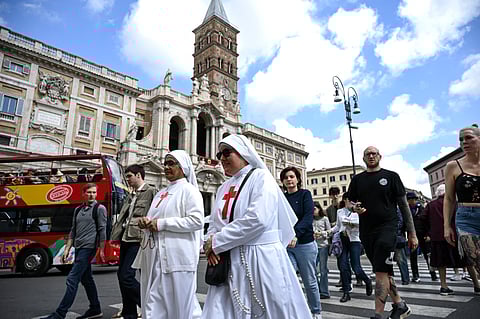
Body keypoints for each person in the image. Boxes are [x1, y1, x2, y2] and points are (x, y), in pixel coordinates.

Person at [202, 134, 312, 319]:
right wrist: (210, 242)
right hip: (229, 258)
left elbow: (257, 219)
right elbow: (215, 222)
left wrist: (216, 242)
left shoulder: (261, 178)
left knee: (270, 309)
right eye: (219, 154)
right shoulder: (223, 187)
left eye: (227, 152)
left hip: (260, 258)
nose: (222, 158)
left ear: (243, 153)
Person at [348, 146, 418, 319]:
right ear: (363, 158)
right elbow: (349, 202)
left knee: (380, 271)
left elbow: (403, 206)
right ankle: (400, 305)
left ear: (380, 156)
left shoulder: (391, 176)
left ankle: (378, 315)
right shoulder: (357, 179)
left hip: (388, 228)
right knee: (383, 270)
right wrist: (353, 207)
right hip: (366, 230)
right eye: (367, 154)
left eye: (374, 153)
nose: (371, 156)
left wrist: (412, 233)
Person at [135, 150, 204, 319]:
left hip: (178, 258)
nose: (166, 167)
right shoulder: (160, 193)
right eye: (166, 163)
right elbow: (154, 219)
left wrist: (161, 224)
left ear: (183, 167)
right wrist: (146, 222)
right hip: (156, 256)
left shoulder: (190, 191)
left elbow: (196, 221)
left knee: (181, 308)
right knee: (154, 304)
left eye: (171, 163)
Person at [41, 183, 106, 319]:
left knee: (72, 278)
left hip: (89, 248)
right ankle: (95, 309)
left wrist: (101, 249)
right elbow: (73, 230)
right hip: (79, 247)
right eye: (89, 192)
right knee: (87, 279)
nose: (92, 195)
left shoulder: (100, 209)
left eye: (94, 192)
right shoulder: (77, 210)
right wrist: (67, 249)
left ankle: (60, 313)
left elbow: (102, 230)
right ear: (83, 194)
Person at [111, 164, 157, 319]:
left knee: (127, 276)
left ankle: (150, 306)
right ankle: (129, 312)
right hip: (126, 237)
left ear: (139, 175)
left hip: (138, 239)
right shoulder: (131, 194)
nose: (127, 179)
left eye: (130, 176)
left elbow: (155, 215)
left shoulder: (150, 192)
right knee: (121, 275)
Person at [281, 166, 322, 316]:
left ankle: (316, 312)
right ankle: (296, 310)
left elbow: (307, 217)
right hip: (287, 245)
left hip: (304, 243)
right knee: (288, 279)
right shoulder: (282, 198)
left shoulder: (305, 194)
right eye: (286, 178)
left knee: (309, 280)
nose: (289, 180)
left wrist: (295, 234)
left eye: (292, 177)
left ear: (298, 179)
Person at [444, 124, 480, 294]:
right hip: (466, 218)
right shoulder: (453, 166)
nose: (464, 142)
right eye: (461, 139)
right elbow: (449, 198)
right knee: (477, 260)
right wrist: (446, 226)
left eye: (468, 137)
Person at [423, 184, 469, 295]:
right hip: (455, 236)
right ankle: (477, 285)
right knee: (467, 260)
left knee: (441, 263)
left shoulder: (430, 205)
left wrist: (428, 233)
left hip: (437, 237)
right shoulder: (455, 203)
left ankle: (444, 286)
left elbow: (422, 219)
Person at [331, 193, 373, 303]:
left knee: (356, 267)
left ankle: (367, 280)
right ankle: (346, 292)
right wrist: (327, 232)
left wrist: (349, 222)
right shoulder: (340, 211)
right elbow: (339, 226)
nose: (352, 203)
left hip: (354, 240)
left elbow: (359, 223)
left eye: (354, 201)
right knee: (343, 266)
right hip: (342, 240)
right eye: (350, 200)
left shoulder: (359, 211)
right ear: (345, 200)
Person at [407, 192, 437, 282]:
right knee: (413, 256)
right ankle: (415, 275)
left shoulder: (421, 208)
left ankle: (433, 273)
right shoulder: (406, 209)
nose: (411, 201)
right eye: (409, 199)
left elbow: (428, 222)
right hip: (412, 235)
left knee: (427, 255)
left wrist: (428, 234)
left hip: (423, 234)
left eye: (412, 199)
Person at [313, 202, 331, 299]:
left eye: (315, 208)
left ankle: (324, 291)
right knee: (313, 270)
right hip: (313, 246)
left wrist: (322, 234)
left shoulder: (325, 219)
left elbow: (330, 232)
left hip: (323, 245)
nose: (313, 211)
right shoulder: (310, 220)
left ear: (319, 209)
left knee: (323, 270)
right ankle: (318, 289)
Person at [394, 208, 410, 285]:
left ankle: (405, 278)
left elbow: (400, 223)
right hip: (393, 237)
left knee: (401, 259)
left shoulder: (396, 210)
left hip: (396, 238)